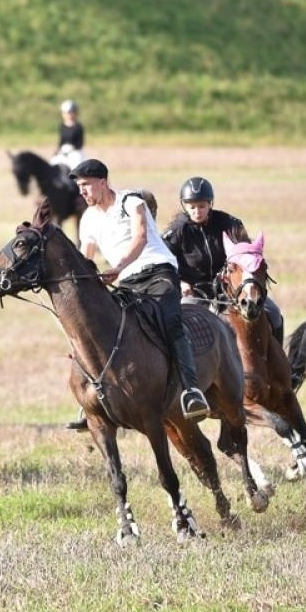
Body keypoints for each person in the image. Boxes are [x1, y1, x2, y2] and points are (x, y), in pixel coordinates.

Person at [73, 159, 210, 422]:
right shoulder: (88, 219)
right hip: (126, 282)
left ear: (103, 182)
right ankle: (95, 401)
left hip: (158, 272)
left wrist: (118, 266)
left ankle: (192, 390)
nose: (82, 191)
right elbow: (85, 257)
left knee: (171, 322)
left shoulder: (131, 203)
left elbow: (141, 237)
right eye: (80, 186)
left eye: (87, 185)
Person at [161, 176, 285, 344]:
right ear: (185, 206)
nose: (197, 211)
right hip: (196, 292)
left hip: (230, 288)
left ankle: (279, 361)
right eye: (192, 207)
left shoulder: (228, 223)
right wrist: (180, 281)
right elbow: (163, 262)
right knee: (182, 323)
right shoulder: (177, 231)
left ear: (210, 204)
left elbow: (246, 256)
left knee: (274, 313)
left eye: (202, 206)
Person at [50, 99, 85, 171]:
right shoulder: (62, 126)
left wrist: (72, 149)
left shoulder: (78, 127)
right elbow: (61, 141)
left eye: (69, 113)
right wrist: (57, 150)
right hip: (63, 151)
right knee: (52, 163)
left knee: (76, 167)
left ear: (74, 113)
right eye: (65, 113)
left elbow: (80, 143)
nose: (67, 115)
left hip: (75, 152)